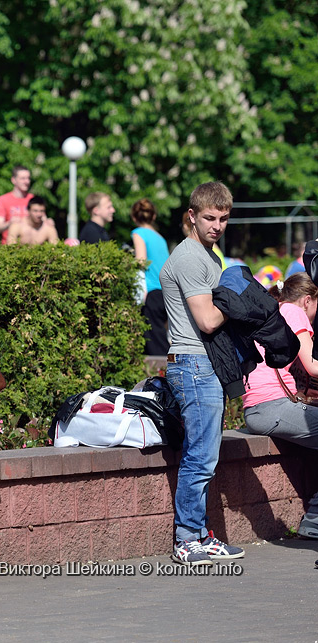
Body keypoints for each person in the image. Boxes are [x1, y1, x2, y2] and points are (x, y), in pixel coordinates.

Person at [159, 181, 244, 566]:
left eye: (224, 219)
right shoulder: (191, 258)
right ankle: (186, 539)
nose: (217, 226)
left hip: (203, 363)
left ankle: (200, 536)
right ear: (192, 216)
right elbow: (208, 320)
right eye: (210, 218)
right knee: (200, 456)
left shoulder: (209, 255)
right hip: (193, 364)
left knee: (205, 454)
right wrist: (241, 302)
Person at [240, 272, 318, 537]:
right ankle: (314, 519)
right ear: (307, 300)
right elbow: (312, 365)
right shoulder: (294, 312)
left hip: (260, 407)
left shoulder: (273, 310)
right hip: (270, 406)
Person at [130, 198, 170, 355]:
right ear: (153, 216)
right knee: (160, 337)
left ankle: (165, 369)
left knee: (154, 344)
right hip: (166, 293)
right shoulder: (160, 238)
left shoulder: (138, 233)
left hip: (151, 293)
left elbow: (141, 261)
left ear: (134, 217)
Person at [0, 165, 34, 244]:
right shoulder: (3, 200)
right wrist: (10, 223)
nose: (27, 181)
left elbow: (42, 219)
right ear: (13, 180)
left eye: (28, 178)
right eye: (23, 178)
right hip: (10, 246)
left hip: (31, 245)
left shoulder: (33, 199)